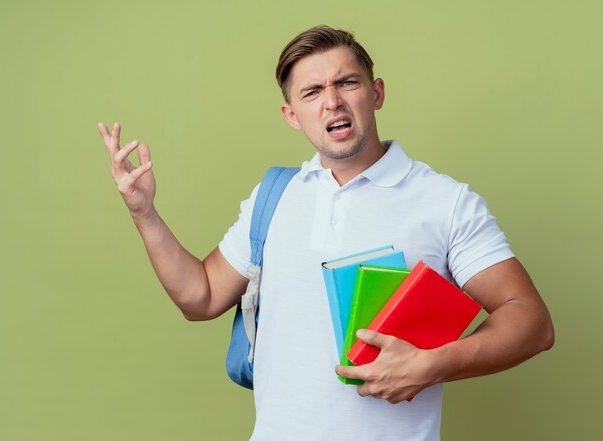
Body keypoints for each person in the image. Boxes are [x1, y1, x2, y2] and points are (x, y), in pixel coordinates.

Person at [98, 25, 554, 441]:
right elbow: (201, 297)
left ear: (376, 93)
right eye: (312, 92)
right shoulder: (273, 196)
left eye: (346, 83)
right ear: (292, 114)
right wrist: (145, 214)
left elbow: (531, 322)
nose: (331, 101)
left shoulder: (446, 202)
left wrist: (432, 364)